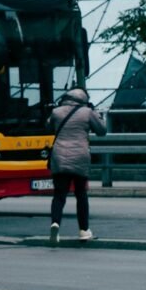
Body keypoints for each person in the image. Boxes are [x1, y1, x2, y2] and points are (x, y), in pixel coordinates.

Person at [46, 87, 106, 244]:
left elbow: (48, 128)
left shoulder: (56, 112)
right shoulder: (87, 112)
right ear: (83, 100)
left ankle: (55, 224)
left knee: (59, 195)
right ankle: (84, 231)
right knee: (81, 195)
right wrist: (95, 113)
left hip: (59, 157)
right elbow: (102, 130)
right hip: (80, 157)